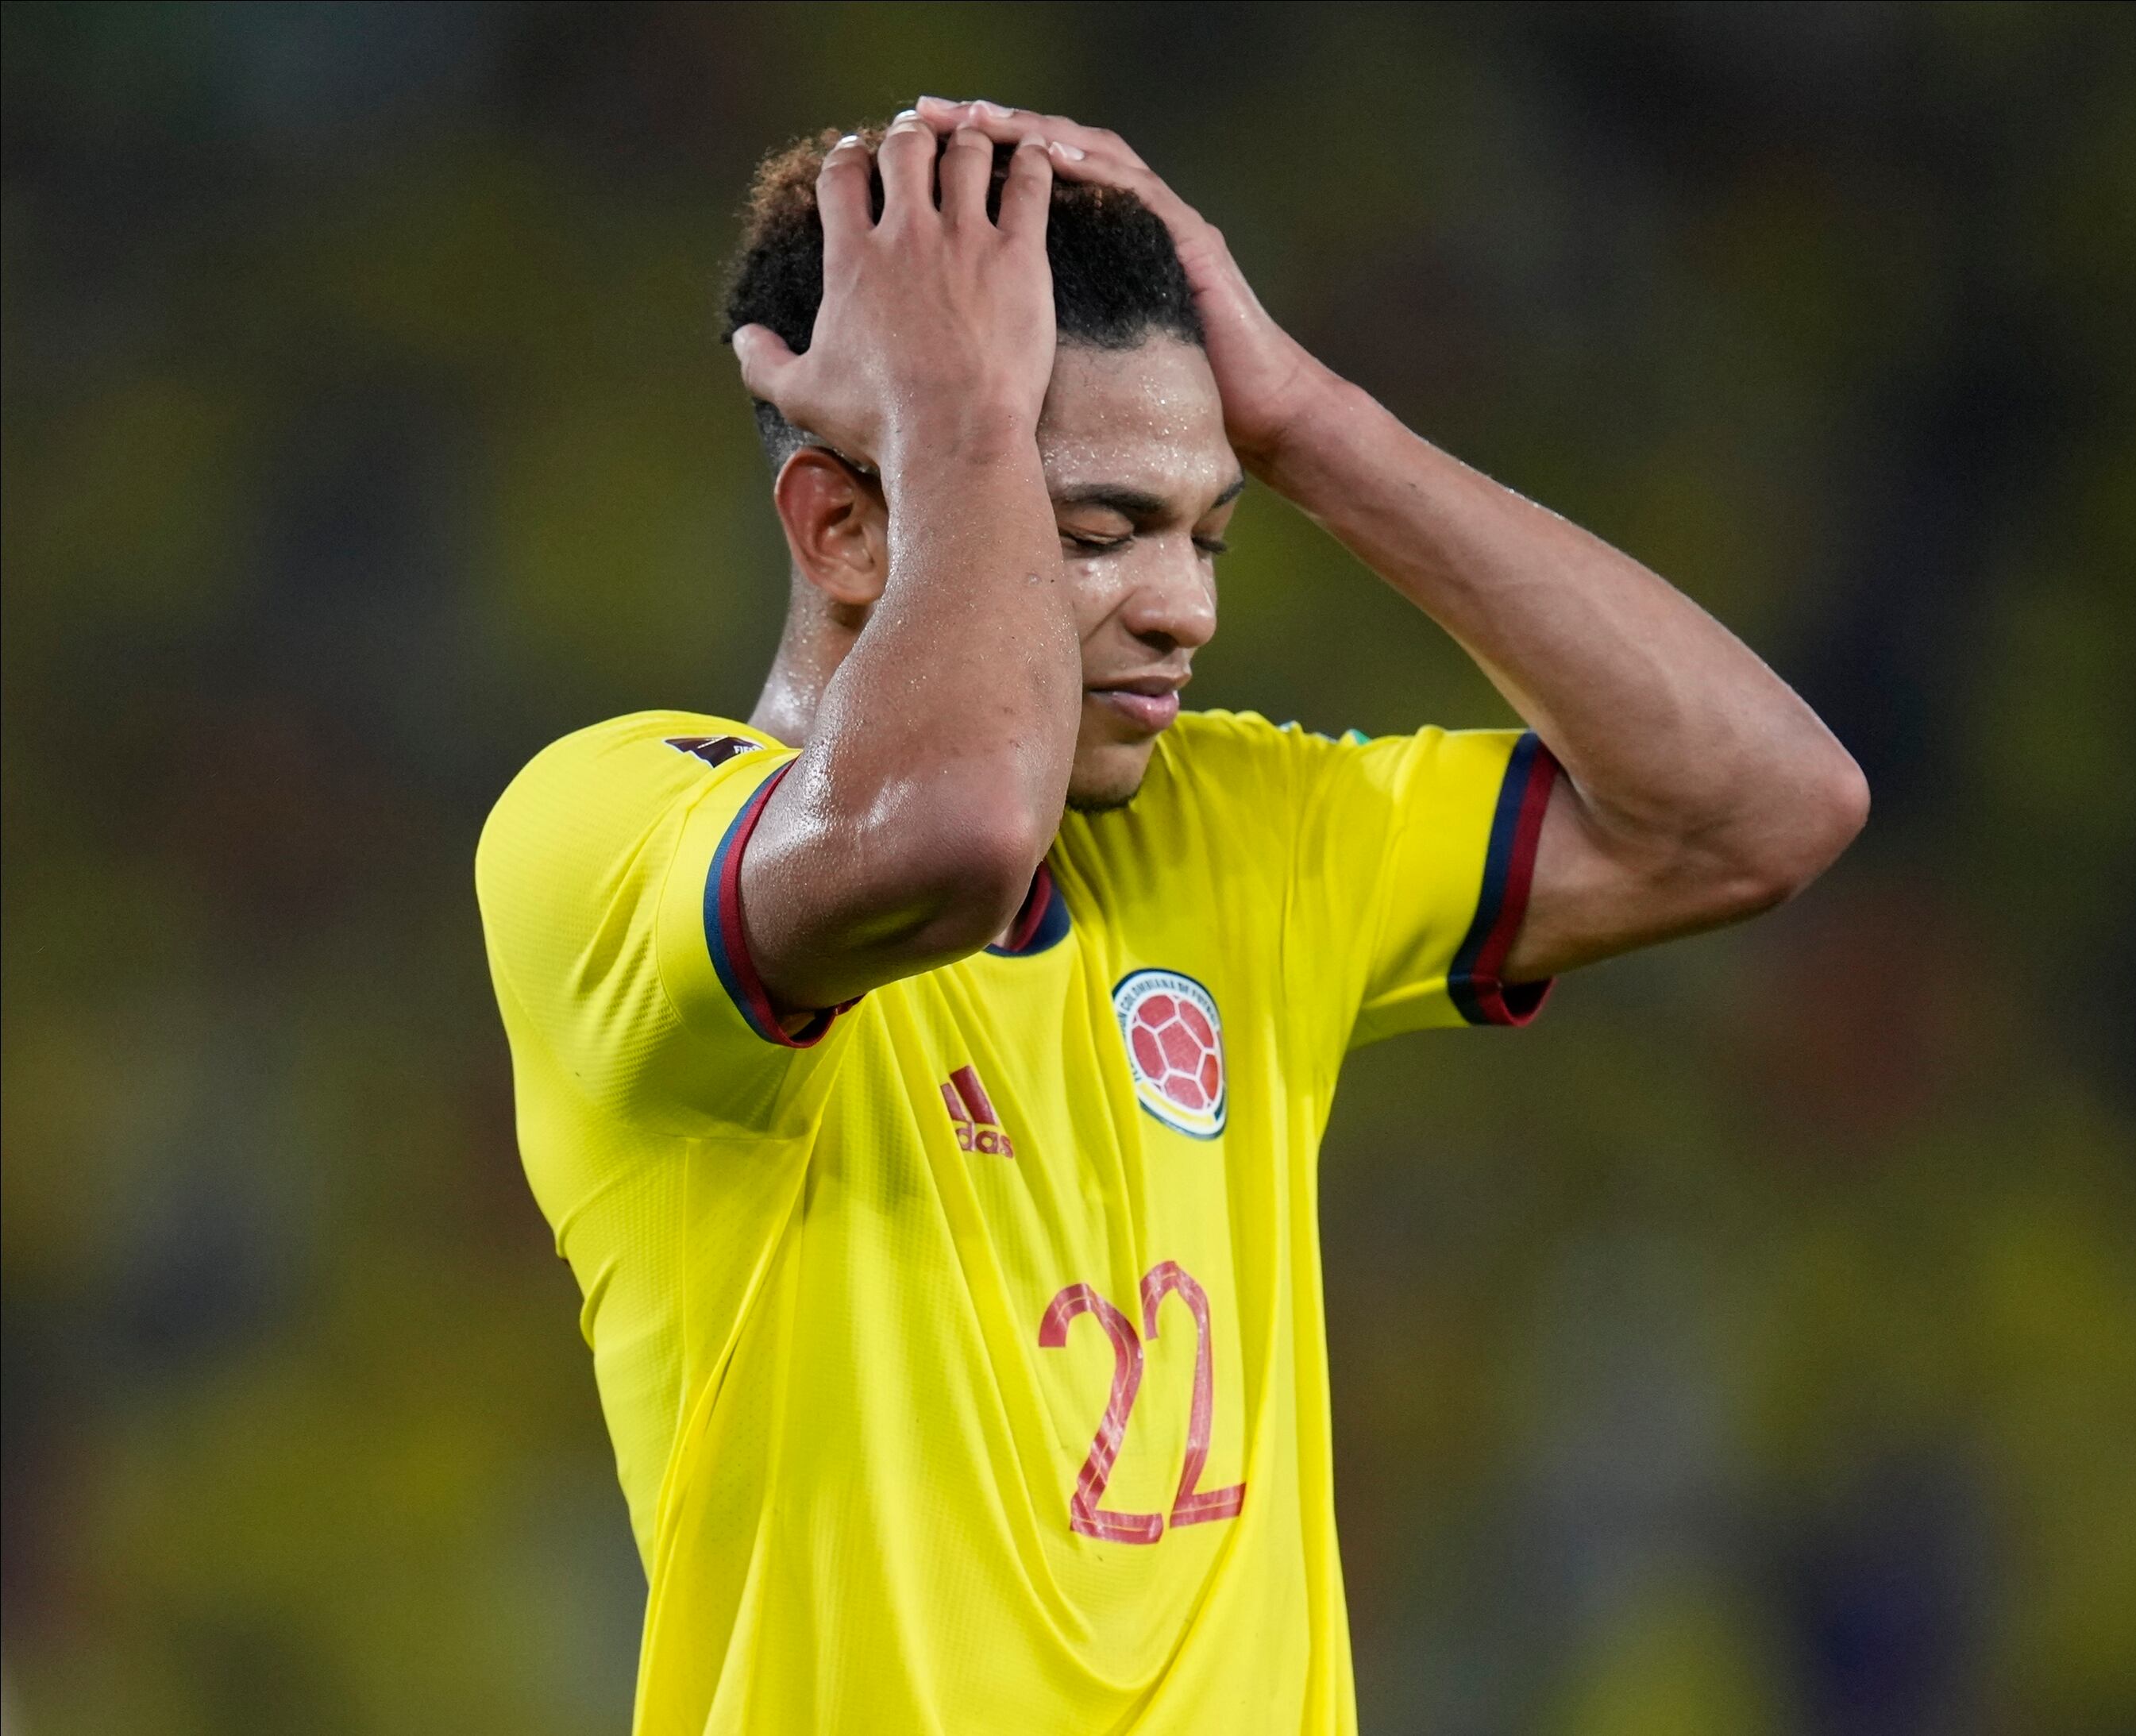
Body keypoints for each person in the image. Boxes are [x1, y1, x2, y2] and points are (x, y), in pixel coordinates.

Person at [476, 97, 1866, 1734]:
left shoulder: (1235, 829)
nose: (1189, 606)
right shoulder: (600, 832)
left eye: (1209, 528)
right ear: (845, 526)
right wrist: (963, 423)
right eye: (1098, 530)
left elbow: (1759, 808)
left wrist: (1315, 428)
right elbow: (954, 830)